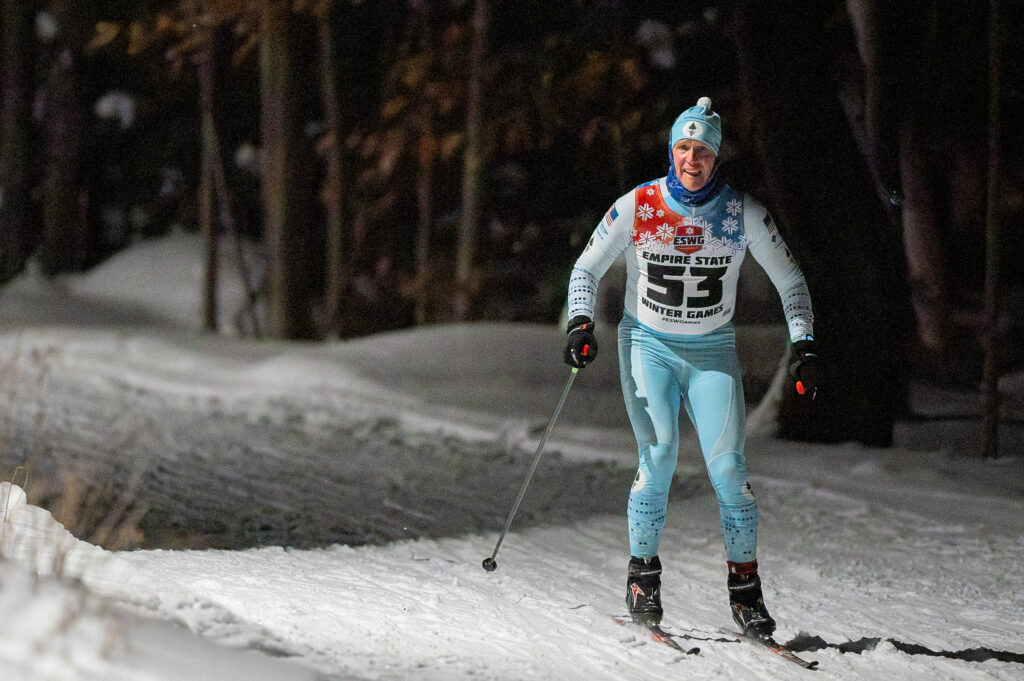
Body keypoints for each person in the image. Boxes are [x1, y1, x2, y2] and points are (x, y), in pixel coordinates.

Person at [563, 97, 823, 638]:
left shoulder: (743, 214)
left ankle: (746, 591)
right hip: (647, 345)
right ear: (671, 151)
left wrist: (805, 346)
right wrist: (581, 323)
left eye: (702, 150)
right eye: (682, 147)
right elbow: (586, 267)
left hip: (710, 351)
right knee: (657, 458)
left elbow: (792, 283)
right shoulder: (639, 205)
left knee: (728, 470)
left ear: (716, 156)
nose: (691, 159)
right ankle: (643, 577)